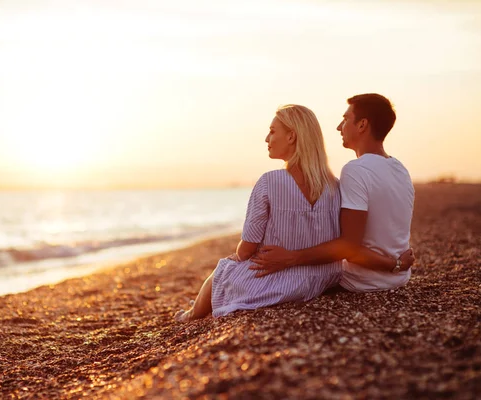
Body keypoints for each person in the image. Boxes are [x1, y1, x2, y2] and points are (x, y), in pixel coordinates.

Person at [175, 104, 409, 322]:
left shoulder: (269, 182)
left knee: (225, 267)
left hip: (285, 280)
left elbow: (247, 249)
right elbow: (341, 239)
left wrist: (245, 253)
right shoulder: (336, 186)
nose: (267, 139)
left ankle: (191, 314)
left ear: (291, 136)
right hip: (322, 279)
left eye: (272, 131)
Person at [250, 94, 415, 292]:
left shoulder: (356, 170)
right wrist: (397, 265)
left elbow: (349, 247)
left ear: (362, 125)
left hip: (361, 280)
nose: (339, 127)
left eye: (345, 119)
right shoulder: (400, 169)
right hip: (399, 278)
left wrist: (291, 257)